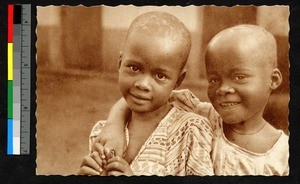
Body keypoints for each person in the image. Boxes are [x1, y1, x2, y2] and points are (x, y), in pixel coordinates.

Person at [93, 24, 289, 176]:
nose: (223, 89)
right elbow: (141, 99)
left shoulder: (284, 155)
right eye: (214, 79)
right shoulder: (205, 115)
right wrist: (113, 126)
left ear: (273, 80)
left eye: (239, 77)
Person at [78, 11, 214, 176]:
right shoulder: (103, 133)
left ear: (178, 81)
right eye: (134, 68)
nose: (142, 84)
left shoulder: (191, 131)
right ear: (120, 64)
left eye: (160, 76)